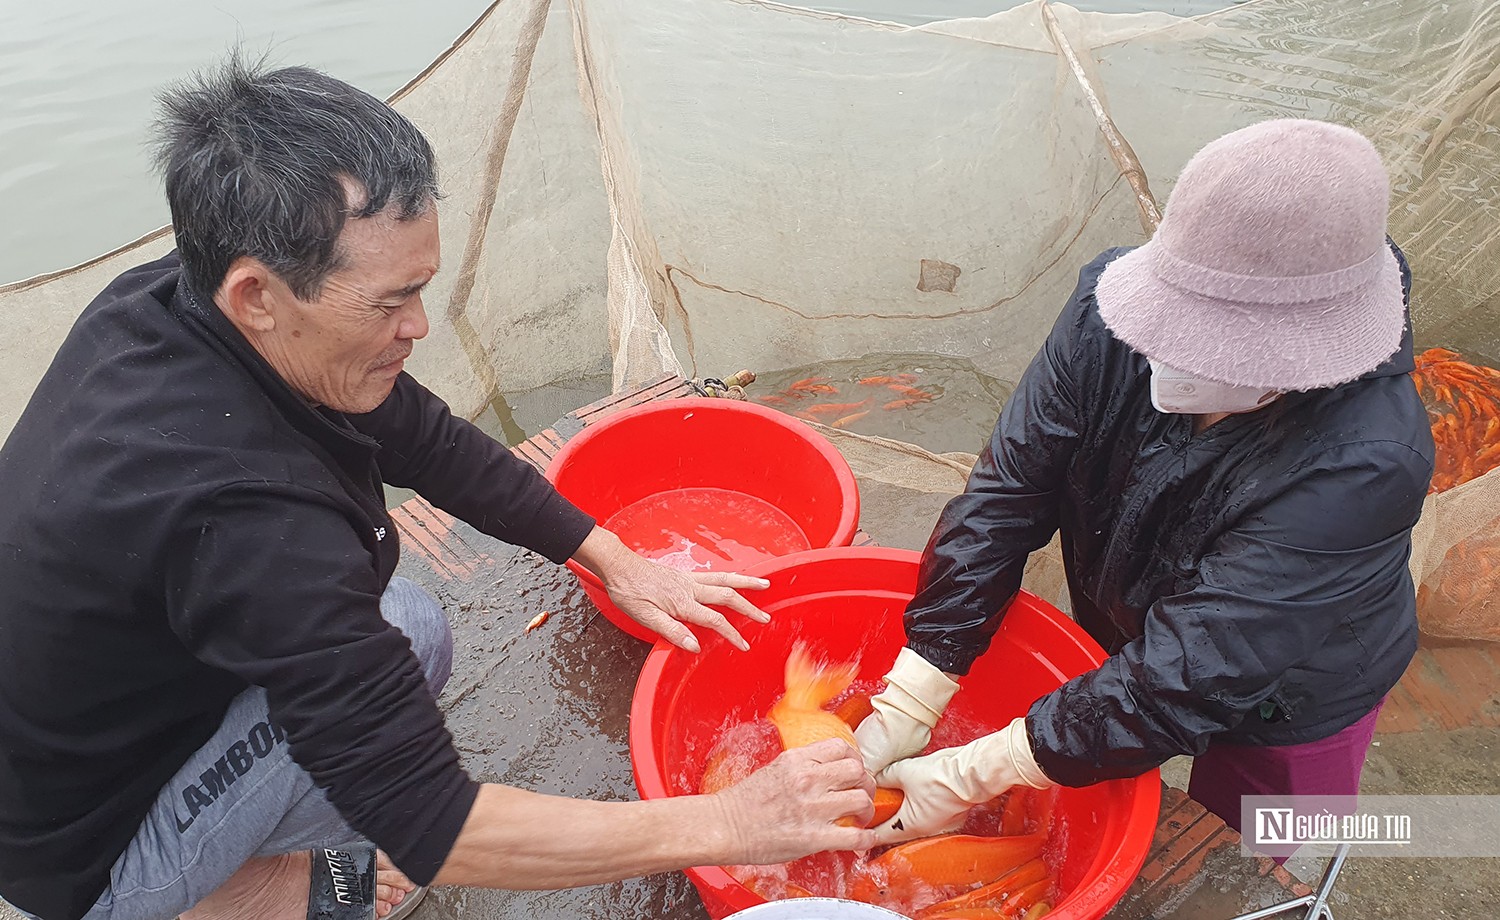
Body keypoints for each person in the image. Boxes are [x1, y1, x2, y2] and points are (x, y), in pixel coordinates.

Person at [0, 57, 876, 920]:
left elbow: (421, 437)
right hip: (81, 854)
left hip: (97, 708)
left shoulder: (172, 300)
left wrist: (614, 559)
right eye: (390, 303)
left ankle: (218, 863)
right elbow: (431, 823)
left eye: (422, 286)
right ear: (257, 294)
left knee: (410, 627)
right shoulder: (249, 526)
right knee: (396, 687)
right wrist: (731, 819)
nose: (419, 326)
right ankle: (216, 896)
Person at [853, 119, 1433, 846]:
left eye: (1218, 344)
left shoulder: (1368, 455)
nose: (1174, 357)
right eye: (1173, 325)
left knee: (1259, 842)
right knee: (1109, 728)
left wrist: (975, 771)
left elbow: (1196, 670)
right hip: (1133, 616)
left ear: (1304, 357)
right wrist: (917, 687)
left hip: (1298, 688)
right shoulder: (1106, 310)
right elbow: (1008, 492)